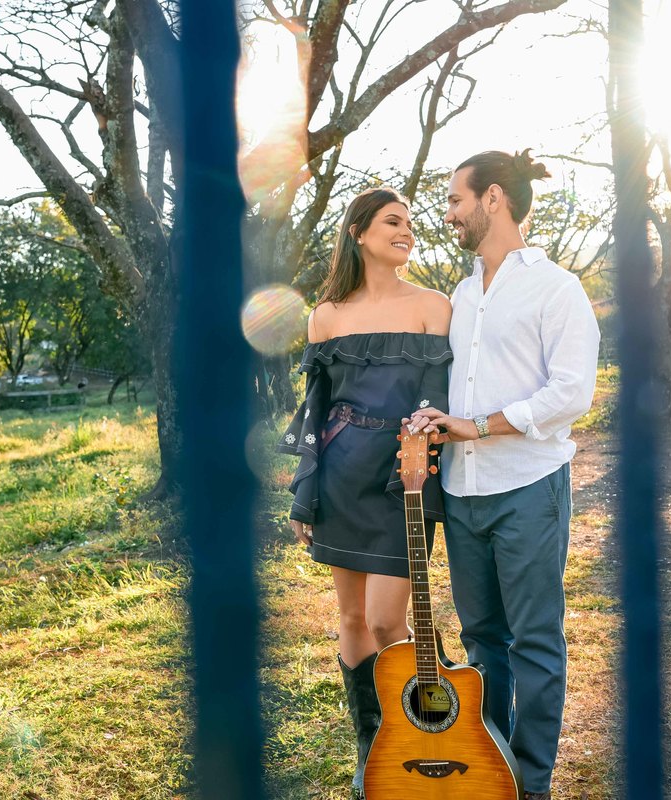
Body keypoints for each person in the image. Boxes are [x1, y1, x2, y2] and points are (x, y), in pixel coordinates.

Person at [408, 150, 599, 800]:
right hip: (461, 494)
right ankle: (494, 775)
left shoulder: (556, 289)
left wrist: (481, 425)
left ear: (493, 198)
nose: (449, 213)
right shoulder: (460, 296)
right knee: (482, 642)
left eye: (456, 199)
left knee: (534, 641)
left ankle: (533, 785)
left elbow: (572, 393)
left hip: (527, 489)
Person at [278, 186, 452, 799]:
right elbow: (316, 410)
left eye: (410, 224)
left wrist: (423, 461)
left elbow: (439, 404)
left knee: (387, 621)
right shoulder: (325, 316)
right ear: (358, 232)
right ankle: (371, 744)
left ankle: (421, 731)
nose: (407, 231)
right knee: (351, 617)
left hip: (404, 479)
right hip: (341, 478)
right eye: (392, 221)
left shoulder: (434, 306)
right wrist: (305, 491)